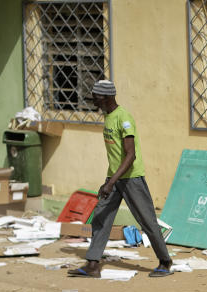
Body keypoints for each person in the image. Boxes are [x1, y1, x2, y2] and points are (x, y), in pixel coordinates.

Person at [68, 79, 173, 278]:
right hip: (115, 178)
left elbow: (130, 155)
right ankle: (92, 264)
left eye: (96, 97)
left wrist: (111, 182)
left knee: (147, 220)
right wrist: (110, 180)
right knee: (101, 216)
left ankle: (165, 262)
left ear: (106, 97)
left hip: (131, 178)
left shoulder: (123, 118)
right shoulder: (108, 116)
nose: (93, 101)